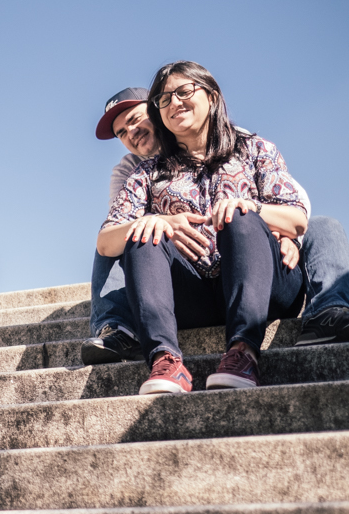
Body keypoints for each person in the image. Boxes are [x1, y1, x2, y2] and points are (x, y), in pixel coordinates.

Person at [85, 85, 349, 365]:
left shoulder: (237, 141)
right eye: (121, 133)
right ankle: (118, 329)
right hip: (184, 277)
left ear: (158, 109)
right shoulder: (133, 171)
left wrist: (290, 237)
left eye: (135, 119)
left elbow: (297, 202)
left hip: (254, 259)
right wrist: (156, 221)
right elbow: (118, 227)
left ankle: (328, 313)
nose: (131, 132)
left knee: (323, 226)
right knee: (122, 236)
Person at [97, 61, 308, 394]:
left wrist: (251, 208)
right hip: (192, 295)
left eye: (184, 92)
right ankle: (166, 360)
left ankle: (243, 352)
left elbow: (297, 218)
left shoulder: (254, 148)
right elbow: (106, 243)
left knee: (240, 215)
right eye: (164, 99)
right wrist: (153, 220)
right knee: (143, 232)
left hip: (264, 287)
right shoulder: (145, 173)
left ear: (211, 96)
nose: (174, 103)